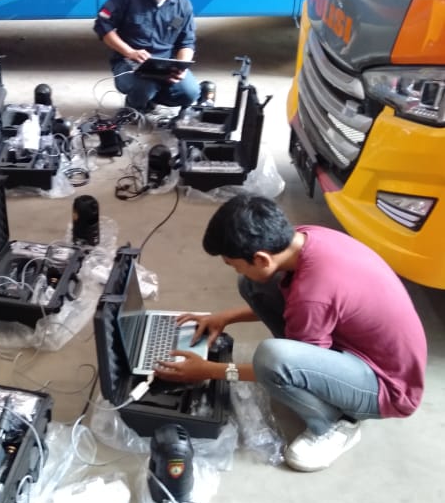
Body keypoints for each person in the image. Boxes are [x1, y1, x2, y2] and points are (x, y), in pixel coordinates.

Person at [155, 194, 427, 472]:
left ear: (261, 258)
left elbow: (300, 321)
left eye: (233, 263)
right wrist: (225, 317)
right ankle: (300, 370)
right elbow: (303, 303)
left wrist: (209, 371)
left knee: (272, 359)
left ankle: (333, 424)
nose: (235, 269)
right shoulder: (305, 238)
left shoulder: (313, 292)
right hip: (364, 348)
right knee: (252, 285)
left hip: (387, 386)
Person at [93, 0, 201, 116]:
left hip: (164, 65)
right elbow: (102, 25)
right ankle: (135, 104)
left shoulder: (183, 5)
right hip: (129, 62)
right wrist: (129, 52)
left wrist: (181, 67)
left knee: (191, 92)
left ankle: (150, 100)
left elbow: (187, 42)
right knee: (144, 87)